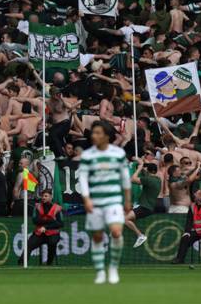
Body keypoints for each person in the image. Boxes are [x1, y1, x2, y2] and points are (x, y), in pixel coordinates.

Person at [79, 121, 131, 284]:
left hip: (114, 200)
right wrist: (86, 198)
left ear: (107, 136)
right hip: (95, 201)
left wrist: (127, 199)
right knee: (97, 236)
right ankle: (100, 271)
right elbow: (83, 178)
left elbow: (125, 177)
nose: (94, 135)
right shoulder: (87, 155)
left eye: (97, 133)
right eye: (93, 132)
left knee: (116, 232)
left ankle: (113, 267)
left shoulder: (118, 154)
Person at [18, 189, 64, 266]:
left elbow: (60, 223)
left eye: (46, 196)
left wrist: (46, 227)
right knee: (29, 244)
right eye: (42, 196)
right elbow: (35, 220)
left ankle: (49, 264)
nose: (43, 197)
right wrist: (51, 221)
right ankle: (21, 263)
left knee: (52, 243)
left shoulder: (57, 208)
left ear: (51, 197)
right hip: (39, 233)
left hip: (53, 233)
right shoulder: (37, 206)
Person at [173, 190, 201, 265]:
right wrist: (187, 232)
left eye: (196, 194)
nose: (194, 194)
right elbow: (189, 221)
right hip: (195, 231)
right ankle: (179, 259)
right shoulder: (192, 206)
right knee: (185, 239)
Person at [124, 162, 161, 248]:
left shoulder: (148, 179)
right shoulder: (158, 179)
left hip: (144, 207)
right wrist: (142, 164)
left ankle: (140, 236)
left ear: (148, 171)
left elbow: (132, 179)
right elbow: (147, 175)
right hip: (148, 207)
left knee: (126, 219)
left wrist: (139, 168)